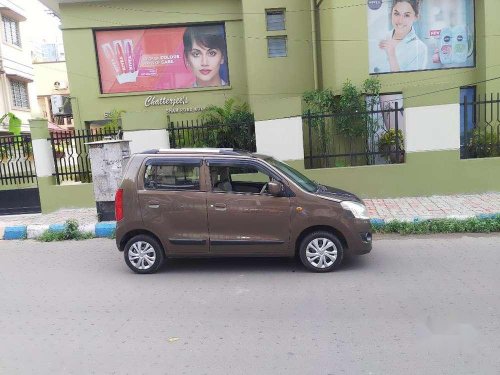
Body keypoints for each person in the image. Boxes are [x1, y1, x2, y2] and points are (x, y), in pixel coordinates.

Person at [378, 0, 428, 72]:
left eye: (406, 15)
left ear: (416, 17)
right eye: (396, 14)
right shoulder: (382, 38)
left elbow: (411, 80)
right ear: (391, 13)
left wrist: (392, 55)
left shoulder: (420, 48)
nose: (400, 21)